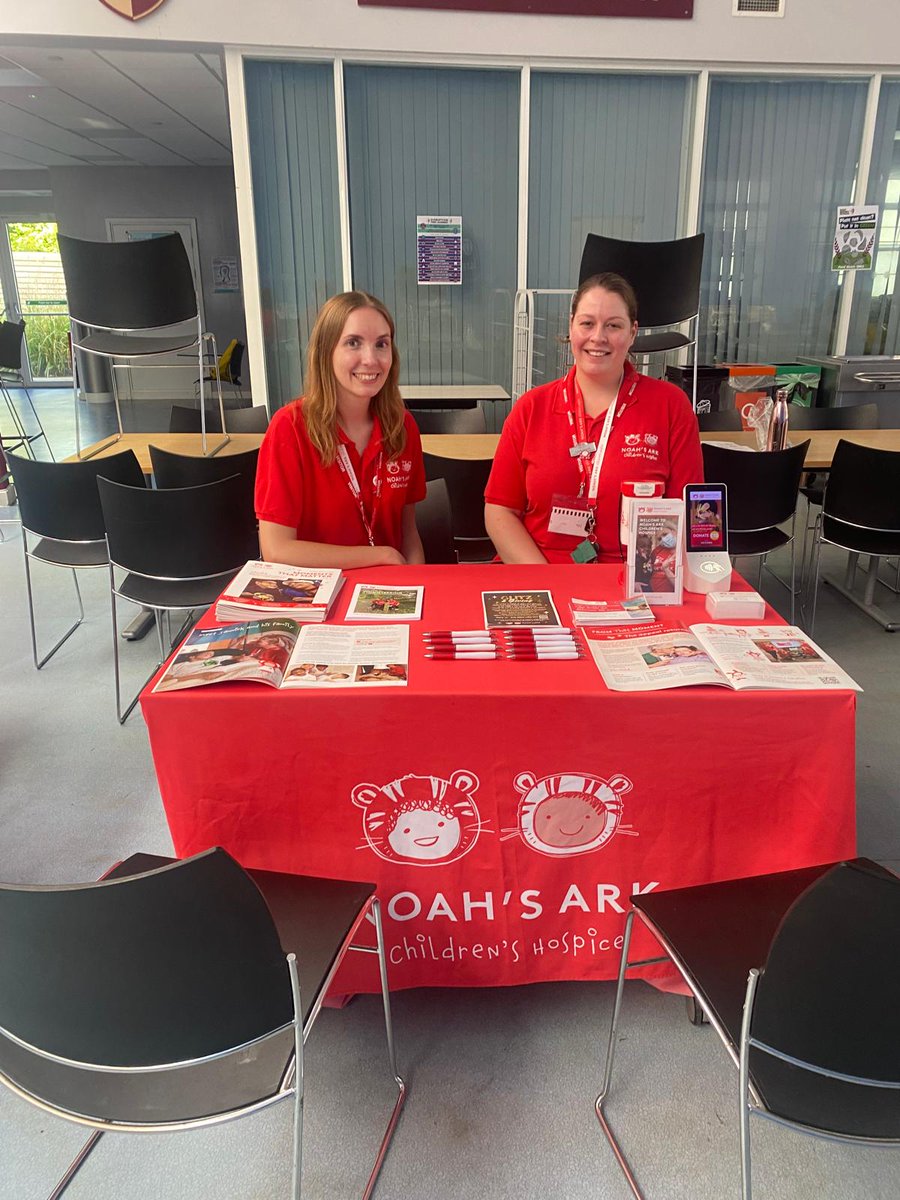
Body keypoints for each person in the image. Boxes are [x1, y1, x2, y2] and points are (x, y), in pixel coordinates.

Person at [484, 272, 703, 564]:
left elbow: (689, 514)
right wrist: (546, 581)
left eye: (613, 325)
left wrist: (652, 577)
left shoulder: (670, 406)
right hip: (535, 573)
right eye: (587, 323)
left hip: (633, 581)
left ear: (633, 333)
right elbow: (499, 511)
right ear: (571, 327)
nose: (598, 337)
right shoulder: (531, 408)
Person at [255, 291, 426, 568]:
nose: (371, 359)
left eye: (381, 344)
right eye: (353, 343)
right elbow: (276, 549)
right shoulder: (290, 427)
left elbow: (408, 533)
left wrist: (419, 585)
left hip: (387, 593)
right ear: (326, 352)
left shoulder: (403, 426)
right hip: (317, 595)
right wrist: (382, 555)